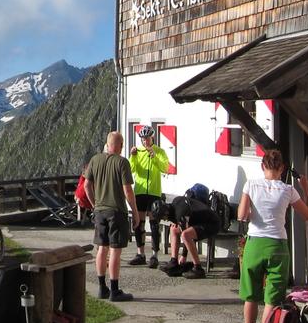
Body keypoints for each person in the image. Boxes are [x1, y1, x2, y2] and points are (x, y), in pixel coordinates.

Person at [236, 149, 308, 323]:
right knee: (272, 297)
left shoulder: (250, 185)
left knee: (251, 294)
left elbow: (242, 215)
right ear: (282, 169)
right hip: (278, 245)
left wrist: (254, 211)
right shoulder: (288, 190)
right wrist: (306, 189)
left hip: (255, 243)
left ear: (263, 166)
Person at [84, 131, 140, 302]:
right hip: (117, 211)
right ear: (120, 145)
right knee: (115, 250)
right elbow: (128, 190)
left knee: (102, 249)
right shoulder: (122, 163)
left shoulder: (95, 159)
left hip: (100, 211)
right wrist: (135, 212)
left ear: (107, 144)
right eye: (122, 144)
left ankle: (102, 288)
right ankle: (115, 290)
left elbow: (87, 185)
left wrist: (95, 205)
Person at [128, 126, 170, 268]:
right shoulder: (138, 152)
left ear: (152, 137)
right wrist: (133, 156)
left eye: (147, 138)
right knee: (138, 224)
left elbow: (165, 168)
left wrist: (154, 156)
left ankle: (154, 255)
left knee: (154, 224)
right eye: (143, 138)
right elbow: (131, 169)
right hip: (139, 191)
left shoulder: (160, 151)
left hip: (154, 192)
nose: (145, 141)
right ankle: (140, 254)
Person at [158, 194, 220, 279]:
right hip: (200, 222)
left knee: (185, 235)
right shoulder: (175, 203)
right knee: (173, 228)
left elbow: (187, 235)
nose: (164, 220)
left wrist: (183, 256)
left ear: (166, 212)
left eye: (163, 217)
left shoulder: (180, 213)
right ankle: (174, 262)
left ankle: (198, 268)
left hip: (212, 224)